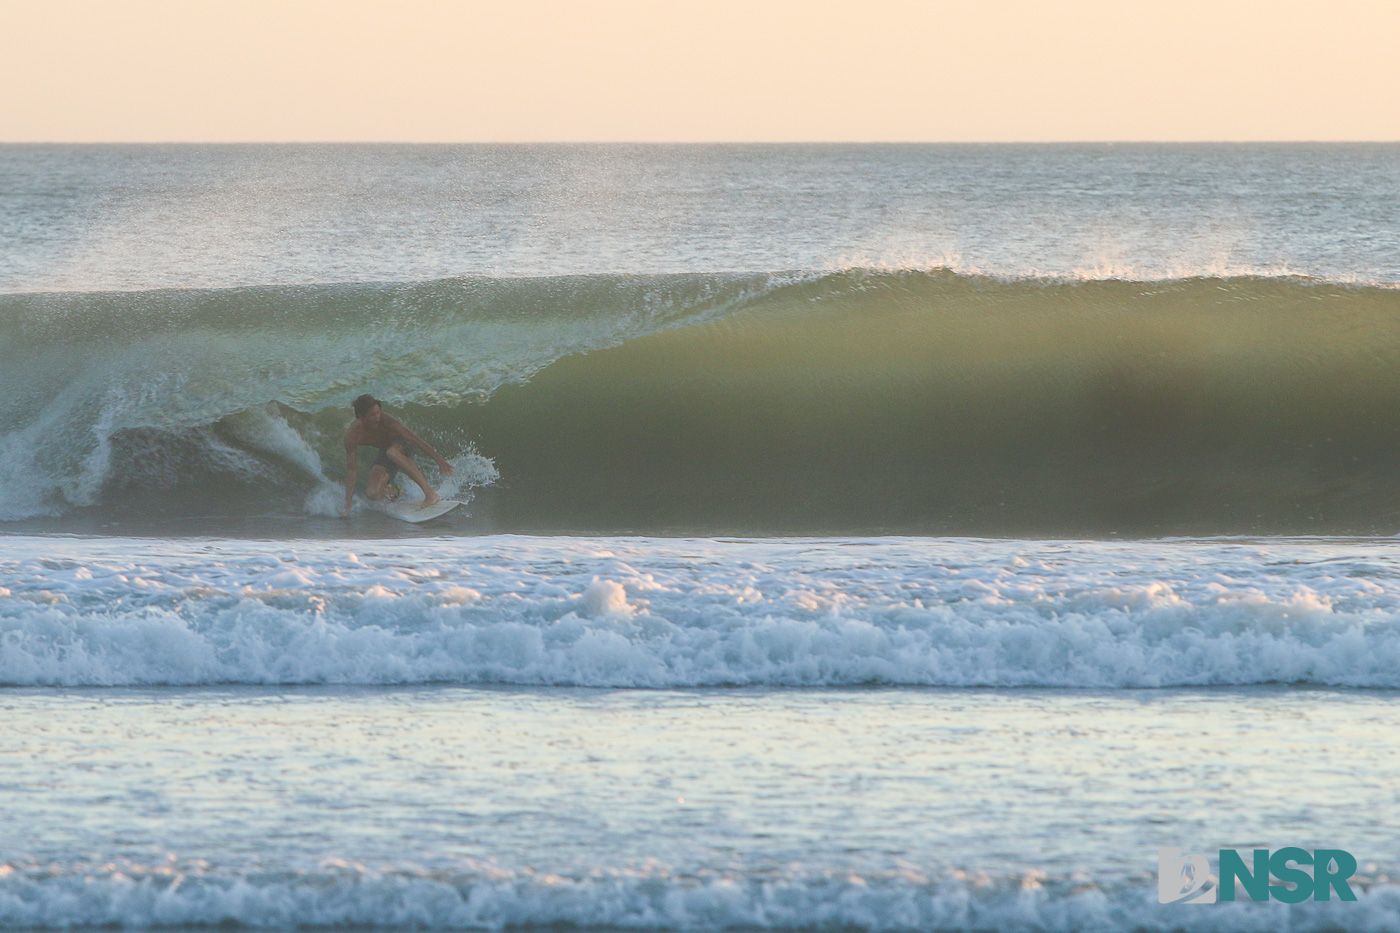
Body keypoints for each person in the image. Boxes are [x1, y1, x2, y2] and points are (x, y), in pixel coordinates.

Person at [343, 394, 454, 515]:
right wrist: (348, 506)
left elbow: (415, 440)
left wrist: (440, 461)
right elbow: (351, 470)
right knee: (372, 493)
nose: (377, 417)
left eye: (378, 412)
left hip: (404, 445)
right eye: (372, 414)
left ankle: (430, 494)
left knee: (392, 452)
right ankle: (397, 492)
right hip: (385, 452)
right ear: (361, 417)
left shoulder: (387, 421)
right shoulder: (352, 436)